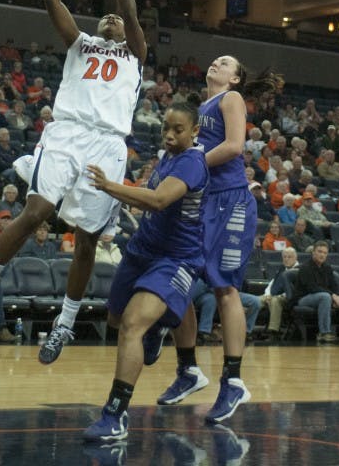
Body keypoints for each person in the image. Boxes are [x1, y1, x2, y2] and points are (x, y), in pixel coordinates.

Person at [0, 0, 147, 364]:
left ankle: (64, 324)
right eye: (106, 16)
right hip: (67, 134)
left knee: (86, 241)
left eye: (116, 17)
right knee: (36, 212)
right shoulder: (79, 43)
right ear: (96, 28)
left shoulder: (135, 53)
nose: (112, 17)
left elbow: (129, 12)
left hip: (108, 144)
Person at [159, 58, 283, 424]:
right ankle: (188, 369)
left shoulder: (231, 99)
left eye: (225, 62)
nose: (217, 62)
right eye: (216, 59)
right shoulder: (199, 109)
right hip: (202, 201)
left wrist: (189, 163)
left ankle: (233, 380)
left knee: (224, 289)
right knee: (178, 277)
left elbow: (233, 146)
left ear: (236, 78)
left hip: (230, 201)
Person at [83, 103, 208, 443]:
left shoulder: (193, 162)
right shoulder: (167, 156)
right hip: (142, 249)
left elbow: (156, 201)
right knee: (115, 320)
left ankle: (115, 414)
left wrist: (110, 186)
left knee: (132, 325)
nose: (169, 134)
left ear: (194, 131)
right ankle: (160, 328)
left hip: (176, 257)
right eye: (166, 127)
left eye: (178, 129)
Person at [290, 240, 339, 344]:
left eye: (325, 253)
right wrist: (332, 296)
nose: (322, 255)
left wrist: (338, 296)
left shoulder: (327, 267)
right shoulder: (305, 268)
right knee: (325, 296)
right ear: (313, 252)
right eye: (319, 251)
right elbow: (312, 288)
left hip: (323, 295)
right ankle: (324, 332)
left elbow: (334, 285)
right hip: (304, 298)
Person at [260, 246, 299, 342]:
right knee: (254, 301)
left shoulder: (298, 271)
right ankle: (247, 330)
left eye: (289, 257)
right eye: (284, 257)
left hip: (287, 298)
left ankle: (273, 332)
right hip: (272, 296)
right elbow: (271, 283)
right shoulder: (282, 268)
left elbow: (296, 290)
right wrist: (267, 294)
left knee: (275, 300)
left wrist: (278, 296)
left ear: (295, 258)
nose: (286, 259)